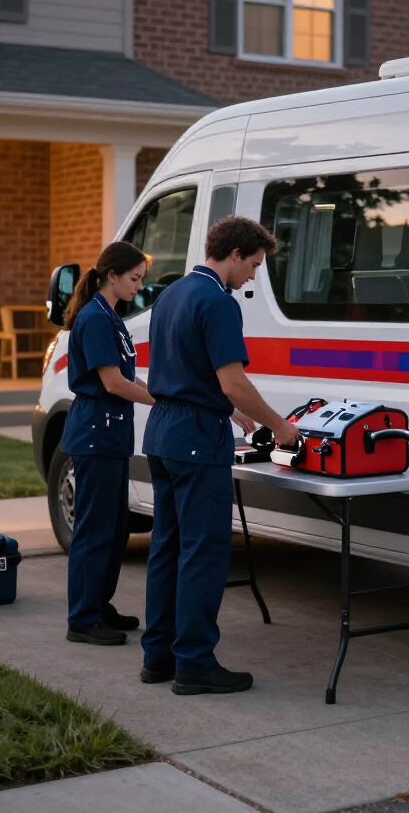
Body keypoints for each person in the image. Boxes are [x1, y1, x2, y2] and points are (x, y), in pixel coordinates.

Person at [140, 216, 302, 694]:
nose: (253, 276)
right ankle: (194, 663)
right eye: (253, 265)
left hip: (162, 432)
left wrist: (232, 411)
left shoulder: (171, 294)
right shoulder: (218, 302)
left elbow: (186, 368)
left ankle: (158, 657)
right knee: (204, 552)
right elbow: (233, 381)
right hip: (196, 439)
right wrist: (280, 426)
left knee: (167, 548)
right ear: (234, 254)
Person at [60, 241, 154, 646]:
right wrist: (162, 402)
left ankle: (99, 604)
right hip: (95, 436)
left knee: (115, 529)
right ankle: (83, 618)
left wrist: (158, 390)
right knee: (95, 529)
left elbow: (127, 375)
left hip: (111, 437)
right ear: (111, 275)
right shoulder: (95, 318)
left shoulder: (110, 316)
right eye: (134, 278)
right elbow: (113, 383)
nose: (139, 286)